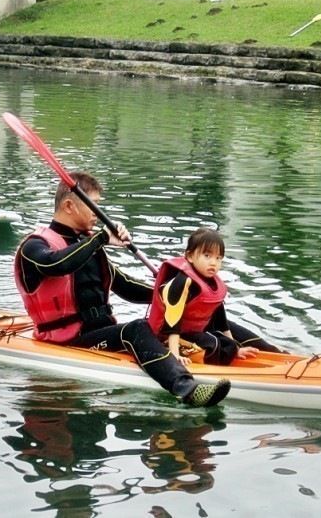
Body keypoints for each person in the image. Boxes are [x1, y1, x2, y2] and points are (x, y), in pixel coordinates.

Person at [14, 171, 230, 407]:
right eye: (95, 206)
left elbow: (125, 286)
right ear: (69, 205)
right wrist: (100, 239)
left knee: (157, 324)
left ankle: (255, 352)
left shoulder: (88, 246)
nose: (101, 215)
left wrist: (173, 294)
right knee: (135, 329)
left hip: (101, 333)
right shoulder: (34, 246)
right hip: (64, 340)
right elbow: (57, 264)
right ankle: (186, 389)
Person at [147, 227, 282, 366]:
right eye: (207, 256)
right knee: (214, 345)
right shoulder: (183, 282)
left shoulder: (212, 283)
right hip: (166, 337)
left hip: (192, 333)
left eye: (218, 258)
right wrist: (174, 355)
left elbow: (221, 319)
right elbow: (172, 322)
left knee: (228, 345)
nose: (214, 262)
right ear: (190, 256)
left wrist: (236, 349)